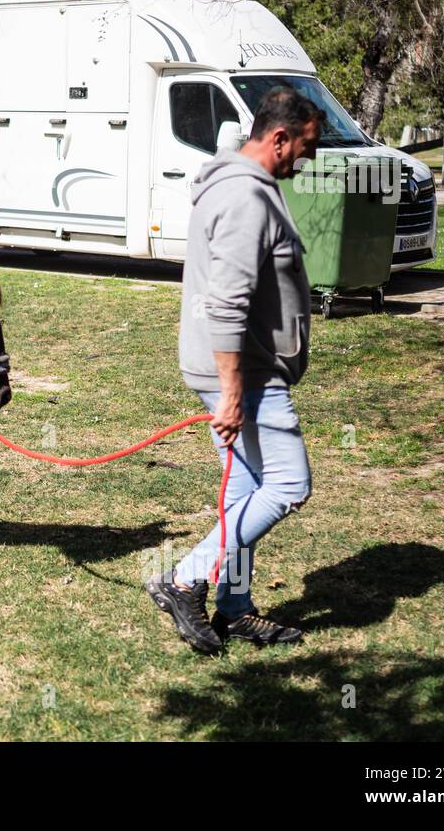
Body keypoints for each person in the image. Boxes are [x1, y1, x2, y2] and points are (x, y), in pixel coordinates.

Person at [146, 87, 320, 655]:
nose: (307, 159)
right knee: (290, 483)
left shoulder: (234, 185)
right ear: (278, 138)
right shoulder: (246, 198)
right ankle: (184, 579)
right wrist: (230, 392)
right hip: (245, 373)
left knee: (246, 489)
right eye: (305, 146)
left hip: (234, 368)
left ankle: (236, 607)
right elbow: (226, 302)